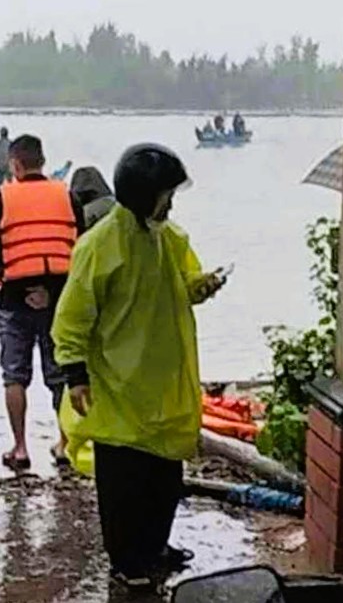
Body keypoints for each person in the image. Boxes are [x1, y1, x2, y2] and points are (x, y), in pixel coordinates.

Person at [52, 144, 228, 589]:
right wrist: (74, 373)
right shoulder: (99, 247)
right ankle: (127, 560)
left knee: (165, 479)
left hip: (163, 381)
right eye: (165, 195)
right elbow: (73, 315)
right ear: (143, 194)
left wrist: (201, 287)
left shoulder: (169, 239)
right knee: (123, 484)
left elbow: (181, 285)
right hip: (117, 385)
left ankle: (155, 546)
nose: (171, 204)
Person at [0, 135, 84, 471]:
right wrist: (51, 291)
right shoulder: (67, 195)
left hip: (14, 299)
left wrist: (20, 283)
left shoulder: (3, 197)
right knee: (59, 375)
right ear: (43, 161)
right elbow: (82, 248)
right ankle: (65, 443)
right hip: (59, 299)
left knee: (14, 376)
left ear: (15, 165)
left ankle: (20, 447)